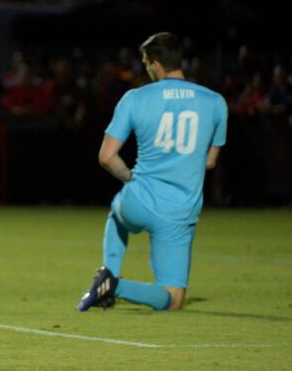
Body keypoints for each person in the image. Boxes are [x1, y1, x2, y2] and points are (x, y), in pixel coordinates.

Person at [76, 32, 227, 312]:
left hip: (140, 200)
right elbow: (209, 162)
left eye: (146, 63)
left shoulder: (135, 98)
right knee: (173, 299)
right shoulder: (215, 102)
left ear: (156, 64)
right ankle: (115, 287)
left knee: (118, 214)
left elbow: (107, 157)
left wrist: (129, 179)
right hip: (180, 211)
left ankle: (108, 276)